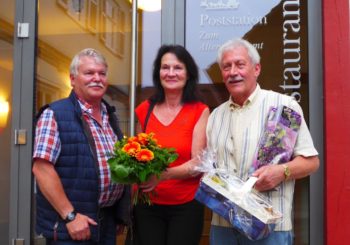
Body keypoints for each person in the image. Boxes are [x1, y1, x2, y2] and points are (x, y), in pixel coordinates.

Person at [206, 38, 319, 245]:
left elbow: (311, 162)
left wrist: (282, 171)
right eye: (226, 66)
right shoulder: (215, 116)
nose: (233, 72)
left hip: (269, 227)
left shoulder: (285, 106)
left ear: (256, 69)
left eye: (240, 64)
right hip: (223, 226)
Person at [32, 48, 131, 244]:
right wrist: (70, 216)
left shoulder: (109, 116)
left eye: (102, 73)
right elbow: (41, 169)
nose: (97, 78)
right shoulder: (55, 114)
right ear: (72, 79)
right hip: (70, 226)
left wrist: (119, 213)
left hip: (105, 222)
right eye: (89, 73)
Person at [131, 44, 210, 245]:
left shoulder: (199, 110)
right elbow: (138, 159)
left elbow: (198, 163)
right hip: (148, 205)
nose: (171, 73)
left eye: (178, 68)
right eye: (165, 67)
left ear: (188, 73)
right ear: (158, 73)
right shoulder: (144, 110)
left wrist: (163, 175)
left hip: (186, 206)